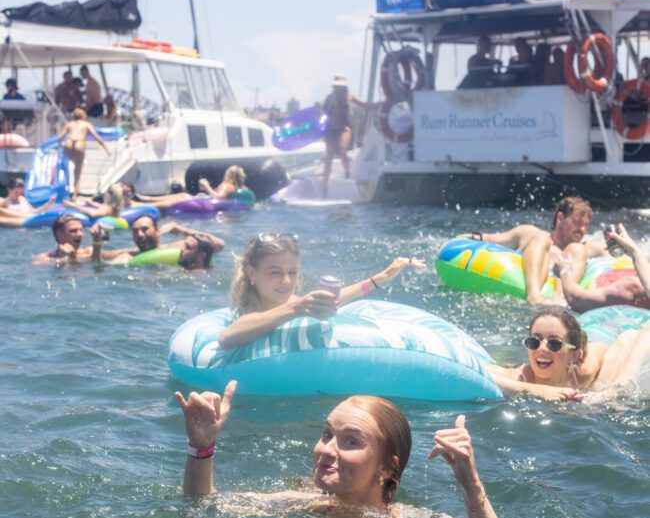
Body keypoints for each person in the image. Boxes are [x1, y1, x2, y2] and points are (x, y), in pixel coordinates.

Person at [177, 381, 507, 518]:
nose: (325, 450)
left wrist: (471, 484)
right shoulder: (300, 504)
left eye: (350, 441)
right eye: (326, 434)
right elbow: (203, 507)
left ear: (387, 469)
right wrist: (201, 447)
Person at [218, 232, 425, 349]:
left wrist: (382, 277)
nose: (286, 281)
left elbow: (338, 298)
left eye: (293, 272)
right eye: (275, 272)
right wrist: (297, 308)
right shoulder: (252, 311)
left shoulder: (294, 301)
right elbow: (226, 338)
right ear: (252, 273)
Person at [464, 196, 606, 303]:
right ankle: (534, 296)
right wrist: (459, 239)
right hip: (529, 296)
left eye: (586, 225)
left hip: (560, 303)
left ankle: (561, 300)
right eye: (577, 222)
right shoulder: (530, 234)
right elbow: (488, 239)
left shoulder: (588, 247)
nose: (582, 230)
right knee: (542, 238)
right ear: (560, 218)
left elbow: (617, 261)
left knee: (578, 248)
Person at [487, 308, 650, 399]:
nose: (542, 348)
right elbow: (470, 371)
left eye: (554, 343)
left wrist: (612, 392)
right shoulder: (520, 376)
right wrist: (536, 390)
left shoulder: (583, 372)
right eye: (534, 341)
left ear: (574, 355)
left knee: (628, 336)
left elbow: (604, 347)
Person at [555, 224, 650, 312]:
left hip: (606, 281)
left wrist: (564, 270)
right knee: (585, 248)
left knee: (576, 249)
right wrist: (634, 251)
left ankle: (557, 294)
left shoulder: (631, 289)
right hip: (618, 268)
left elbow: (575, 299)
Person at [104, 215, 224, 268]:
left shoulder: (176, 247)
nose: (140, 234)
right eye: (135, 231)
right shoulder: (129, 255)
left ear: (157, 230)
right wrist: (98, 243)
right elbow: (103, 261)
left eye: (145, 229)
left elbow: (219, 245)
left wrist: (182, 229)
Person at [322, 75, 366, 199]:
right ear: (334, 87)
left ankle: (347, 173)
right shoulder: (329, 99)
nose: (339, 89)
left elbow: (365, 105)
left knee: (342, 151)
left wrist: (376, 106)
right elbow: (322, 116)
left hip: (344, 128)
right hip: (331, 130)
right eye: (337, 87)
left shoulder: (349, 97)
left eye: (341, 87)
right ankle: (324, 188)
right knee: (328, 157)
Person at [57, 107, 111, 200]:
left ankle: (73, 190)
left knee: (73, 167)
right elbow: (96, 136)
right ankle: (75, 194)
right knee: (77, 172)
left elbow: (60, 138)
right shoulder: (86, 124)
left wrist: (62, 146)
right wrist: (106, 149)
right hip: (80, 144)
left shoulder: (69, 124)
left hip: (69, 143)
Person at [32, 214, 105, 265]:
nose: (80, 234)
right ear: (60, 235)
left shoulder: (89, 252)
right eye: (74, 231)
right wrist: (64, 258)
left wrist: (97, 242)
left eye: (81, 230)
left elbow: (97, 267)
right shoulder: (44, 258)